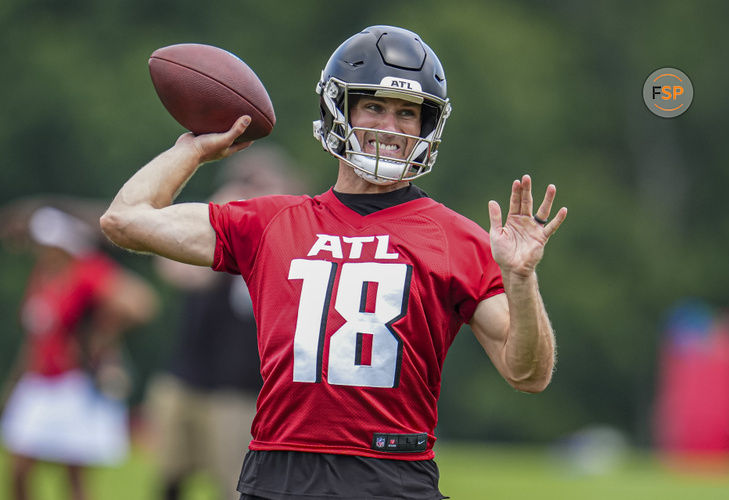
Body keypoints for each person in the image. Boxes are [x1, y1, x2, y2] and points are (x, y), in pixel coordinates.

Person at [101, 25, 567, 499]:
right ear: (338, 110)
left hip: (393, 476)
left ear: (427, 126)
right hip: (278, 475)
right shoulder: (272, 222)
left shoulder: (455, 238)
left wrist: (521, 279)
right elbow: (126, 219)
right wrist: (193, 150)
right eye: (374, 106)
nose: (390, 126)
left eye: (407, 112)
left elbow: (527, 373)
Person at [145, 146, 304, 500]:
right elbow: (176, 271)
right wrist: (225, 208)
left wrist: (269, 210)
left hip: (240, 390)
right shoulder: (216, 235)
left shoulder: (291, 243)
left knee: (234, 485)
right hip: (186, 377)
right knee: (169, 476)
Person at [0, 203, 158, 500]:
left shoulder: (86, 272)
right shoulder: (43, 277)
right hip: (39, 381)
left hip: (72, 383)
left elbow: (140, 304)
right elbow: (34, 338)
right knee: (18, 469)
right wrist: (14, 383)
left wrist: (102, 331)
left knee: (73, 475)